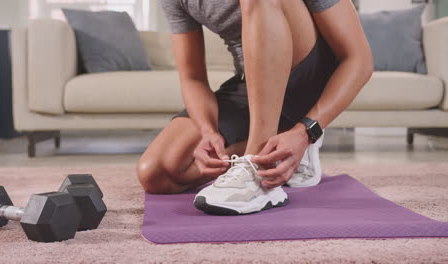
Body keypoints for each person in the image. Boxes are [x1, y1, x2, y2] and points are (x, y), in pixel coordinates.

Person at [137, 0, 373, 215]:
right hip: (252, 85)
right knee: (158, 172)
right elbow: (193, 78)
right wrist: (208, 131)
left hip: (311, 78)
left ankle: (257, 165)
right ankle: (278, 147)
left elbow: (358, 60)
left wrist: (307, 129)